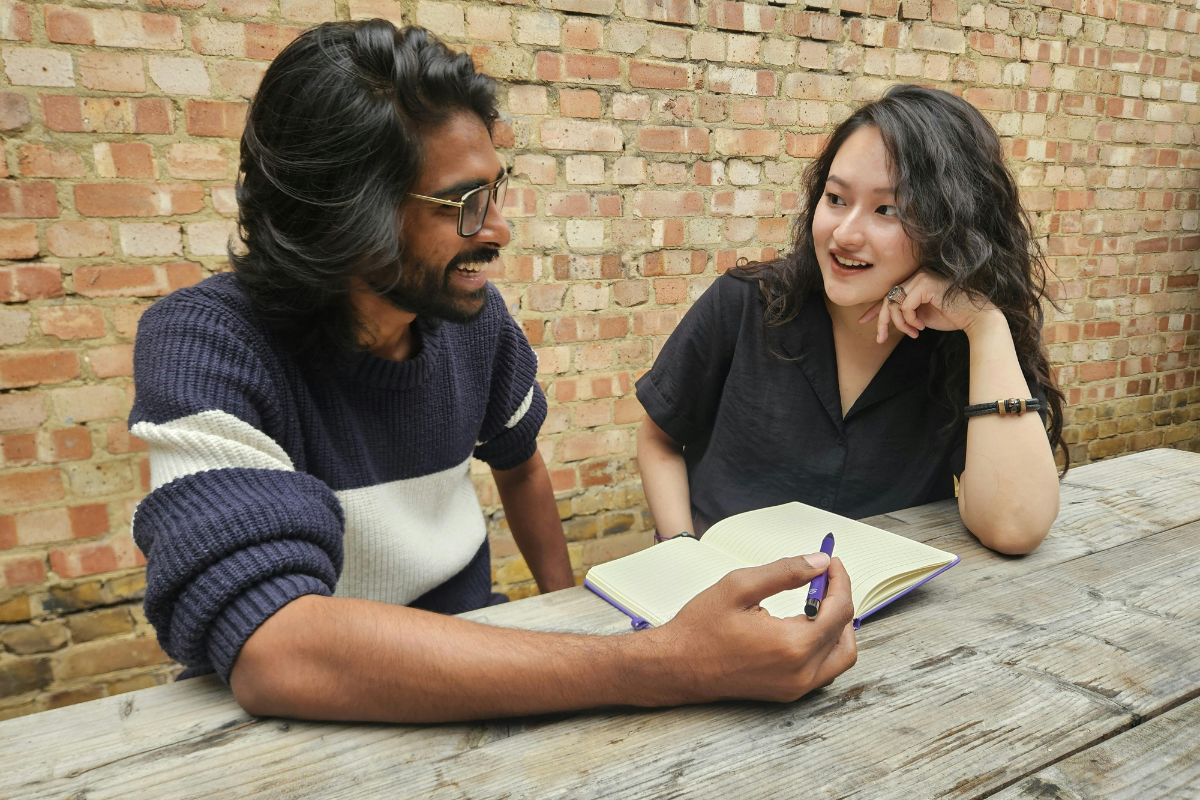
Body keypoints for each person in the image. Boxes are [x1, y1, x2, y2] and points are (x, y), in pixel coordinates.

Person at [129, 20, 857, 724]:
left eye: (496, 192)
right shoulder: (209, 344)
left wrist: (568, 606)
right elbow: (277, 650)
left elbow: (520, 463)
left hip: (480, 670)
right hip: (302, 720)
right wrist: (663, 665)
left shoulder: (468, 323)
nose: (500, 230)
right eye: (464, 205)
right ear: (348, 217)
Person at [637, 85, 1063, 556]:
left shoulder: (963, 343)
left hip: (890, 614)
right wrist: (679, 552)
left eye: (887, 210)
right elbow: (658, 437)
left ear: (954, 227)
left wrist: (986, 327)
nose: (844, 233)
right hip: (722, 594)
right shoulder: (744, 303)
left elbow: (1015, 528)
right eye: (836, 198)